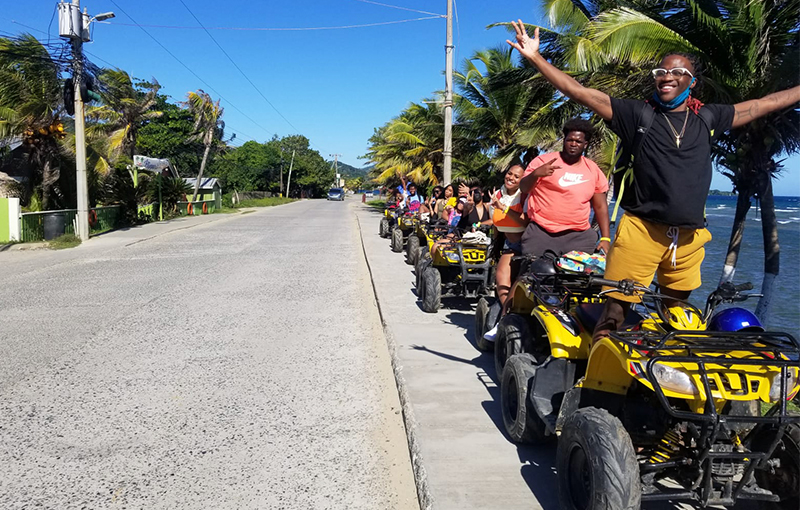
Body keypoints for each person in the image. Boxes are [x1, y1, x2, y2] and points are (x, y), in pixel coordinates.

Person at [506, 20, 800, 340]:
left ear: (692, 82)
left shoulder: (708, 118)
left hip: (688, 238)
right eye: (661, 72)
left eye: (677, 73)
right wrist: (536, 58)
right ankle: (595, 385)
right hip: (641, 231)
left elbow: (763, 104)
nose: (667, 77)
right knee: (615, 313)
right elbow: (579, 91)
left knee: (677, 318)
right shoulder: (637, 114)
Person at [519, 118, 611, 258]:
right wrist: (536, 174)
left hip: (578, 237)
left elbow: (600, 207)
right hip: (541, 232)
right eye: (570, 140)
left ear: (585, 145)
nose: (573, 144)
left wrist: (605, 238)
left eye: (578, 141)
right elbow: (524, 187)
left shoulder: (592, 169)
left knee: (575, 279)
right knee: (533, 276)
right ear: (564, 140)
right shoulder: (542, 161)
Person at [482, 163, 527, 342]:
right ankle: (506, 317)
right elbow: (497, 226)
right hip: (509, 244)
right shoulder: (498, 194)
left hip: (526, 245)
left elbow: (525, 221)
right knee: (501, 281)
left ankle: (504, 320)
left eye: (517, 176)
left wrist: (503, 207)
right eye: (510, 174)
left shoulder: (523, 196)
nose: (512, 178)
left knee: (513, 283)